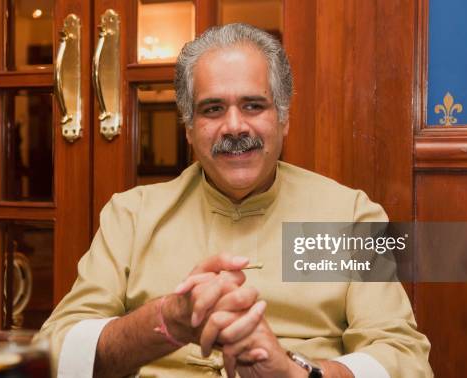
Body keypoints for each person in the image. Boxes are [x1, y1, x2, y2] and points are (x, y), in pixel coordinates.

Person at [37, 23, 432, 378]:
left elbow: (405, 359)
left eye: (253, 105)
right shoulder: (131, 215)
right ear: (189, 128)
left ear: (283, 118)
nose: (234, 126)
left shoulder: (352, 216)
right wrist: (166, 321)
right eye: (212, 109)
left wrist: (299, 374)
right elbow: (56, 352)